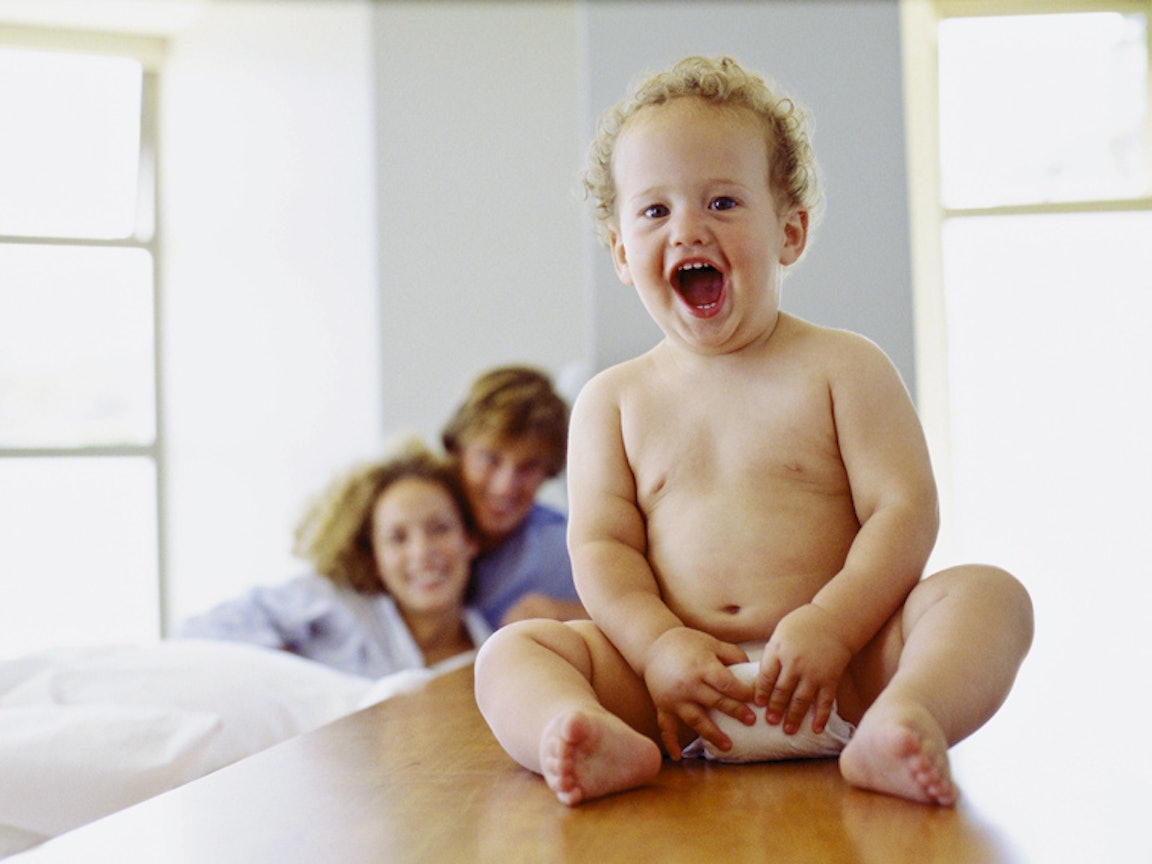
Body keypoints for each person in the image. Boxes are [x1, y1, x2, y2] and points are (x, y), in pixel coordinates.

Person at [474, 56, 1033, 808]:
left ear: (790, 233)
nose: (688, 229)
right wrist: (658, 646)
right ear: (619, 254)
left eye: (724, 202)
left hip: (846, 673)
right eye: (654, 212)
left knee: (990, 597)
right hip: (676, 696)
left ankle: (904, 720)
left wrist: (834, 627)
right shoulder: (613, 401)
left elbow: (905, 511)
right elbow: (601, 549)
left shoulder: (844, 366)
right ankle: (589, 734)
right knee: (513, 652)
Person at [178, 439, 490, 677]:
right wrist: (286, 669)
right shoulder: (333, 607)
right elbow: (198, 634)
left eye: (440, 529)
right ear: (375, 559)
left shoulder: (497, 647)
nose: (422, 552)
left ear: (470, 539)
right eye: (397, 538)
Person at [442, 366, 585, 628]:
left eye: (528, 467)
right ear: (457, 449)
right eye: (490, 458)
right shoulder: (407, 521)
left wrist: (572, 615)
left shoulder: (565, 550)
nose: (505, 487)